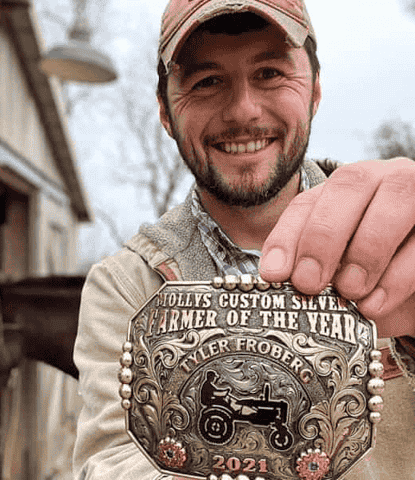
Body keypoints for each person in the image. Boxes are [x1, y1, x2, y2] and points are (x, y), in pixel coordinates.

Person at [73, 1, 415, 479]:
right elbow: (110, 463)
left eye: (271, 72)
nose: (243, 110)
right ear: (166, 113)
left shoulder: (402, 239)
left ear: (315, 90)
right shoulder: (124, 288)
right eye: (206, 81)